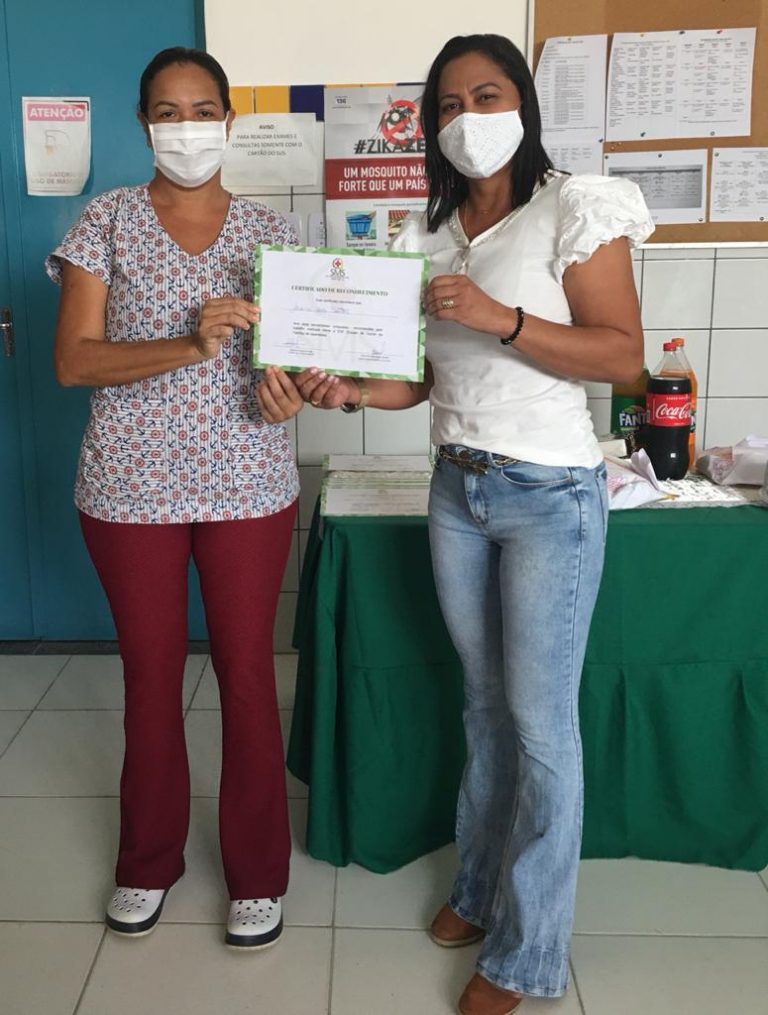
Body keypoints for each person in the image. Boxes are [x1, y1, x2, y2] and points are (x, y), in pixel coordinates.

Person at [258, 32, 653, 1015]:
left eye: (486, 95)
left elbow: (622, 357)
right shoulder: (429, 232)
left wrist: (500, 315)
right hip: (457, 489)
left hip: (550, 493)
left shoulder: (574, 207)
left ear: (522, 103)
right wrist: (352, 389)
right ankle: (477, 889)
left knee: (542, 727)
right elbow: (426, 377)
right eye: (446, 104)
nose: (466, 118)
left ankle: (529, 952)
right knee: (483, 707)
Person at [47, 47, 304, 949]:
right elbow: (74, 359)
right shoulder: (107, 220)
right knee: (150, 673)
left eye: (202, 112)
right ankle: (148, 858)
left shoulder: (273, 231)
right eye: (167, 112)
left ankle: (258, 873)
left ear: (229, 122)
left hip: (248, 483)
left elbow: (295, 362)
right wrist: (189, 346)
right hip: (130, 486)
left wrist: (291, 392)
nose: (186, 129)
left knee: (247, 673)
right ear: (143, 123)